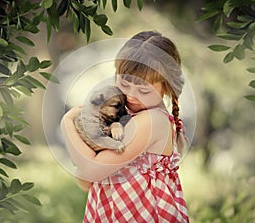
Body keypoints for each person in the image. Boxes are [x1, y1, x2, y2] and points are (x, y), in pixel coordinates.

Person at [61, 31, 189, 222]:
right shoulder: (131, 118)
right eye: (124, 83)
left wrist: (67, 124)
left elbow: (91, 171)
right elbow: (87, 180)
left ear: (168, 86)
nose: (130, 95)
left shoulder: (150, 121)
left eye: (143, 90)